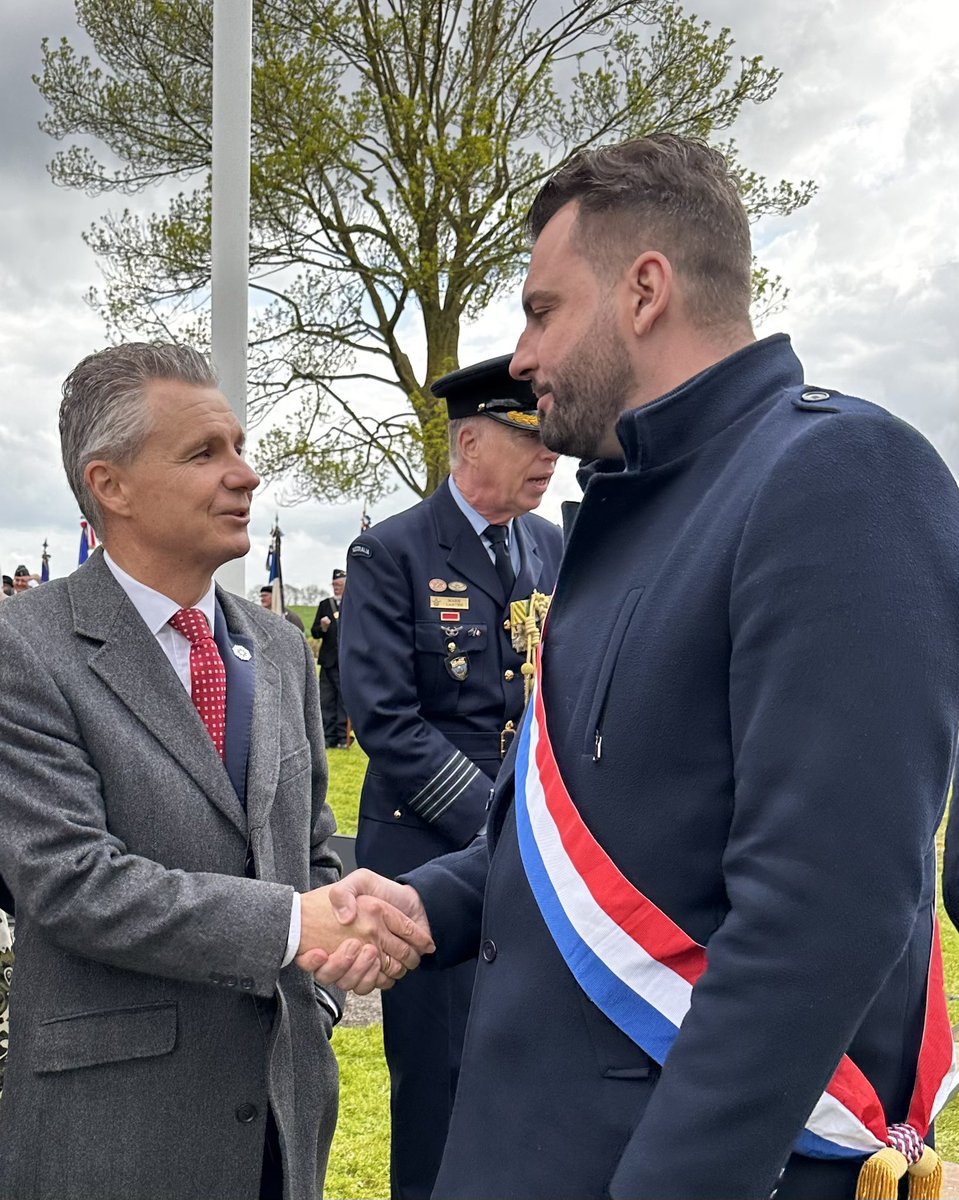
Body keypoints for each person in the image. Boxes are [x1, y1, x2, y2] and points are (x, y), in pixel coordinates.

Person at [325, 136, 959, 1200]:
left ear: (644, 289)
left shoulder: (838, 474)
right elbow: (600, 830)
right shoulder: (628, 516)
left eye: (539, 311)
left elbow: (817, 915)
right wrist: (427, 905)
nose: (521, 361)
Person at [0, 342, 431, 1200]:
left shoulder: (276, 648)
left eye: (237, 445)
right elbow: (70, 881)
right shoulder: (25, 649)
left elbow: (307, 845)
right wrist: (293, 928)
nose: (246, 475)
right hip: (115, 1130)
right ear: (110, 486)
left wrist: (325, 990)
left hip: (282, 1114)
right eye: (205, 453)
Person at [338, 354, 563, 1200]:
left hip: (535, 855)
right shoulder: (390, 552)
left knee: (529, 1070)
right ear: (469, 442)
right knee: (439, 1081)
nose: (549, 457)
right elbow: (388, 720)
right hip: (431, 858)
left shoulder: (551, 545)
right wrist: (496, 822)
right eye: (526, 438)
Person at [311, 569, 348, 749]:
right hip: (328, 660)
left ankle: (343, 736)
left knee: (343, 700)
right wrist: (323, 627)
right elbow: (314, 632)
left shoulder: (352, 604)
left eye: (340, 585)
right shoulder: (325, 604)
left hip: (345, 661)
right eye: (334, 585)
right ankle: (328, 736)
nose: (336, 588)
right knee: (326, 699)